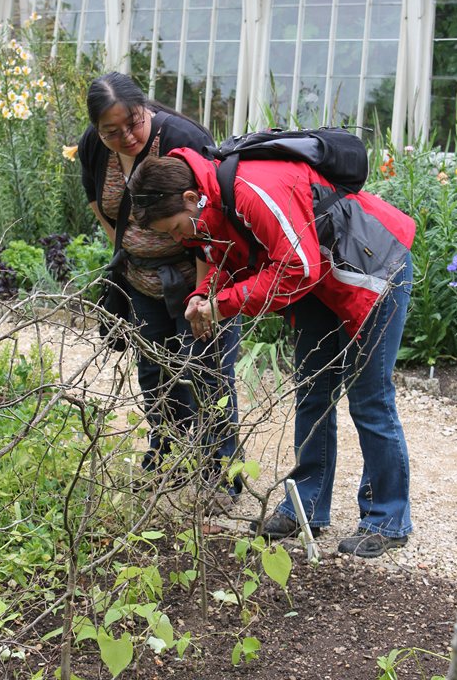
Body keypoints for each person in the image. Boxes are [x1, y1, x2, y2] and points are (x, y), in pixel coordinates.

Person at [128, 147, 416, 558]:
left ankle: (387, 519)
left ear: (190, 198)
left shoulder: (250, 189)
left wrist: (223, 305)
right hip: (322, 282)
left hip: (372, 268)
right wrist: (202, 295)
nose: (178, 239)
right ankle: (306, 507)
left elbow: (297, 267)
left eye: (174, 228)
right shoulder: (212, 204)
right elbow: (230, 258)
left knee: (370, 400)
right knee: (312, 394)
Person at [77, 72, 241, 503]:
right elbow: (96, 199)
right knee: (155, 371)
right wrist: (128, 249)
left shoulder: (182, 138)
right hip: (140, 280)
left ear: (144, 107)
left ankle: (221, 471)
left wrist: (203, 296)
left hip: (196, 273)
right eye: (112, 131)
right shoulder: (95, 145)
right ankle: (168, 457)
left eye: (132, 122)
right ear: (97, 129)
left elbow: (212, 218)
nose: (126, 136)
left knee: (205, 370)